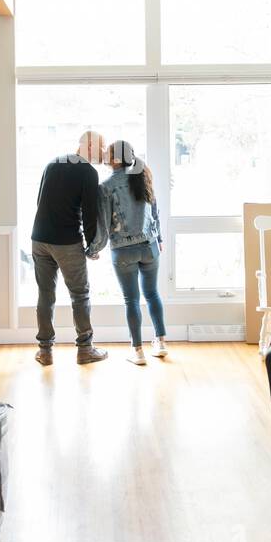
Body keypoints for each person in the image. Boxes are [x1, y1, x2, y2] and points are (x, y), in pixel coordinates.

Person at [30, 130, 110, 366]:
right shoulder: (88, 172)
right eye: (101, 147)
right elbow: (89, 214)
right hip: (66, 242)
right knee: (80, 294)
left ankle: (45, 352)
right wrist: (93, 246)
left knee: (45, 295)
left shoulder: (52, 163)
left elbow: (39, 201)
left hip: (39, 239)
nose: (103, 153)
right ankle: (85, 349)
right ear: (89, 145)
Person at [87, 139, 167, 366]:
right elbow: (155, 213)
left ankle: (138, 351)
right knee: (152, 294)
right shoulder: (143, 177)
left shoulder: (106, 187)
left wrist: (94, 249)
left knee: (131, 300)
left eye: (108, 153)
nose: (104, 155)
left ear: (114, 159)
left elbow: (102, 224)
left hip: (123, 251)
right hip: (150, 247)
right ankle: (161, 343)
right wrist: (159, 239)